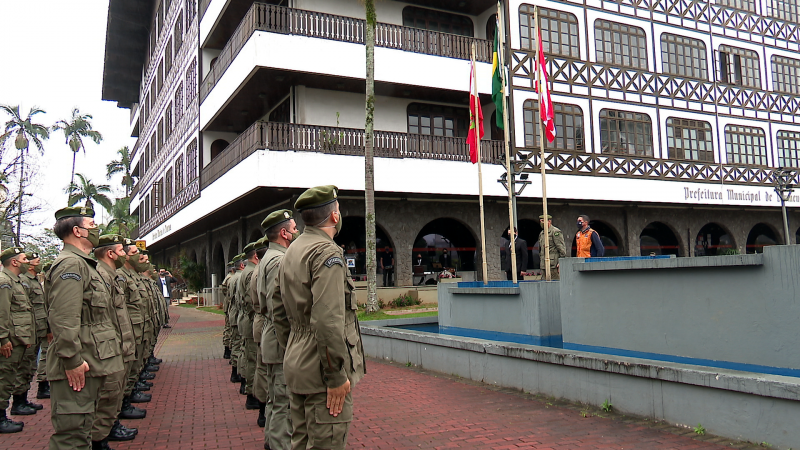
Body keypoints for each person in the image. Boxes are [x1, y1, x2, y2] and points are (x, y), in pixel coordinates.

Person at [273, 185, 366, 450]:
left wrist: (292, 350)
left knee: (300, 442)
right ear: (334, 216)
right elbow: (327, 322)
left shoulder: (291, 250)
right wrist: (336, 376)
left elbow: (278, 311)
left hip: (299, 365)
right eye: (338, 209)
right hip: (322, 374)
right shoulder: (326, 253)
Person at [45, 206, 124, 450]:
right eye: (91, 225)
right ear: (77, 231)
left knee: (84, 430)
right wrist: (71, 360)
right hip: (79, 363)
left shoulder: (84, 264)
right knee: (72, 437)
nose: (96, 229)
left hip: (92, 357)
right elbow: (64, 318)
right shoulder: (71, 265)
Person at [257, 209, 298, 450]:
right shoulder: (279, 260)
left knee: (275, 398)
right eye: (293, 228)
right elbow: (278, 308)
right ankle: (279, 444)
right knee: (284, 401)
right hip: (279, 340)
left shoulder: (269, 257)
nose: (296, 231)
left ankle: (272, 442)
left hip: (272, 339)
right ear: (283, 233)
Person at [92, 235, 138, 446]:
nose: (124, 255)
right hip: (107, 346)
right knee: (107, 394)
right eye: (121, 251)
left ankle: (109, 427)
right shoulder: (100, 275)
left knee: (114, 392)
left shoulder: (110, 275)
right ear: (110, 254)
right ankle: (100, 437)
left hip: (118, 342)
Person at [0, 247, 34, 433]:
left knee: (9, 377)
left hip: (17, 338)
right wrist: (3, 339)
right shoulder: (4, 282)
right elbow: (2, 313)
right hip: (9, 341)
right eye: (23, 259)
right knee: (3, 379)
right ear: (14, 262)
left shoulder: (16, 281)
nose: (26, 262)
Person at [16, 251, 45, 413]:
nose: (36, 263)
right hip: (29, 330)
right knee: (23, 367)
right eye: (36, 260)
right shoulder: (24, 281)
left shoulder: (33, 280)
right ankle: (18, 402)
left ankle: (24, 399)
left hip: (38, 329)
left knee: (30, 367)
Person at [538, 215, 568, 280]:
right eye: (540, 221)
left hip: (553, 264)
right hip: (544, 264)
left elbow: (561, 248)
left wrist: (560, 262)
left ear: (549, 221)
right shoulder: (542, 233)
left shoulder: (555, 232)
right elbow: (540, 250)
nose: (541, 223)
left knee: (555, 283)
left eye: (543, 221)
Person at [221, 264, 236, 360]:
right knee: (229, 328)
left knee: (228, 328)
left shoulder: (228, 278)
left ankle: (227, 349)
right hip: (230, 306)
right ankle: (228, 350)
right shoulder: (230, 278)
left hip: (228, 305)